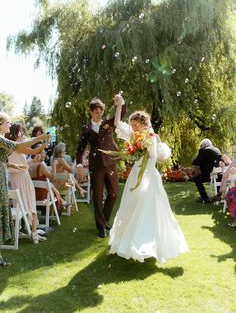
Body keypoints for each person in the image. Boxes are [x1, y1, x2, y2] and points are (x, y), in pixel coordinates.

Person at [108, 110, 189, 263]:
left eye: (136, 125)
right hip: (135, 177)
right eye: (132, 125)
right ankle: (128, 242)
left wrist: (158, 144)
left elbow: (162, 158)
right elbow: (118, 124)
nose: (133, 128)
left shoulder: (153, 137)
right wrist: (119, 106)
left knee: (149, 210)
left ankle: (147, 245)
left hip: (150, 178)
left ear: (144, 124)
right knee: (131, 207)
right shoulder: (133, 136)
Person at [0, 112, 50, 267]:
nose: (9, 124)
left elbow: (5, 158)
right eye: (6, 122)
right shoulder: (2, 139)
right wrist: (40, 138)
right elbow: (19, 147)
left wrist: (13, 165)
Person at [76, 94, 126, 238]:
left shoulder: (108, 123)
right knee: (97, 197)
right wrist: (79, 164)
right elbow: (80, 149)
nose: (99, 114)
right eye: (96, 111)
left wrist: (120, 102)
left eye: (101, 111)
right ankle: (101, 227)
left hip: (110, 163)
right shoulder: (86, 129)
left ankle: (104, 220)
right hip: (96, 165)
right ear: (91, 112)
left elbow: (121, 113)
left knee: (114, 194)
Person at [7, 124, 48, 244]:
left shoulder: (9, 146)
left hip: (16, 177)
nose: (23, 133)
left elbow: (22, 164)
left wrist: (32, 160)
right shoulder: (16, 146)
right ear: (16, 133)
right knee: (30, 202)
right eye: (21, 131)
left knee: (19, 203)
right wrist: (44, 143)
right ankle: (34, 234)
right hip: (23, 178)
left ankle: (17, 231)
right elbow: (35, 150)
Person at [192, 138, 222, 203]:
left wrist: (193, 161)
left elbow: (197, 162)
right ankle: (218, 195)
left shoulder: (204, 151)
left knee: (196, 179)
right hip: (219, 175)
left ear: (204, 145)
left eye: (201, 145)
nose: (200, 147)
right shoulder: (217, 150)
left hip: (210, 174)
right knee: (216, 178)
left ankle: (204, 198)